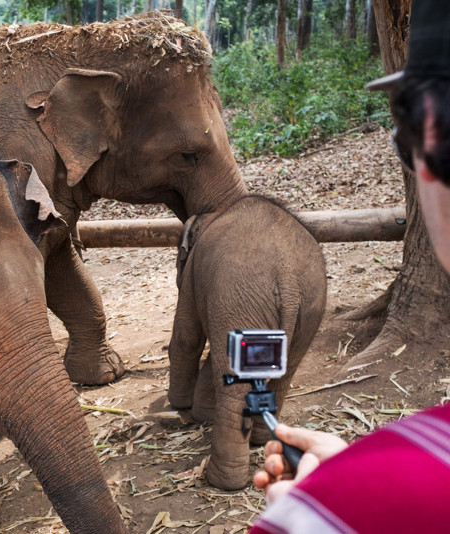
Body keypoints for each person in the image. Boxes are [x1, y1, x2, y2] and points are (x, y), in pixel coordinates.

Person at [249, 1, 450, 532]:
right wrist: (358, 473)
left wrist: (330, 505)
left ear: (427, 143)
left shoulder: (337, 512)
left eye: (403, 133)